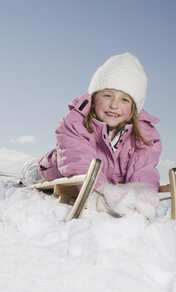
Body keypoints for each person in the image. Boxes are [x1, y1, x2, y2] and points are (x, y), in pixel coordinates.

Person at [21, 53, 162, 218]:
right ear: (94, 99)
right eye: (108, 95)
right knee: (36, 172)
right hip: (61, 166)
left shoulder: (146, 135)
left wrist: (142, 193)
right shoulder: (76, 122)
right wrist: (100, 193)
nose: (114, 105)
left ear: (134, 109)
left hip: (106, 177)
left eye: (124, 100)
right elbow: (79, 161)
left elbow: (143, 168)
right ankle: (28, 169)